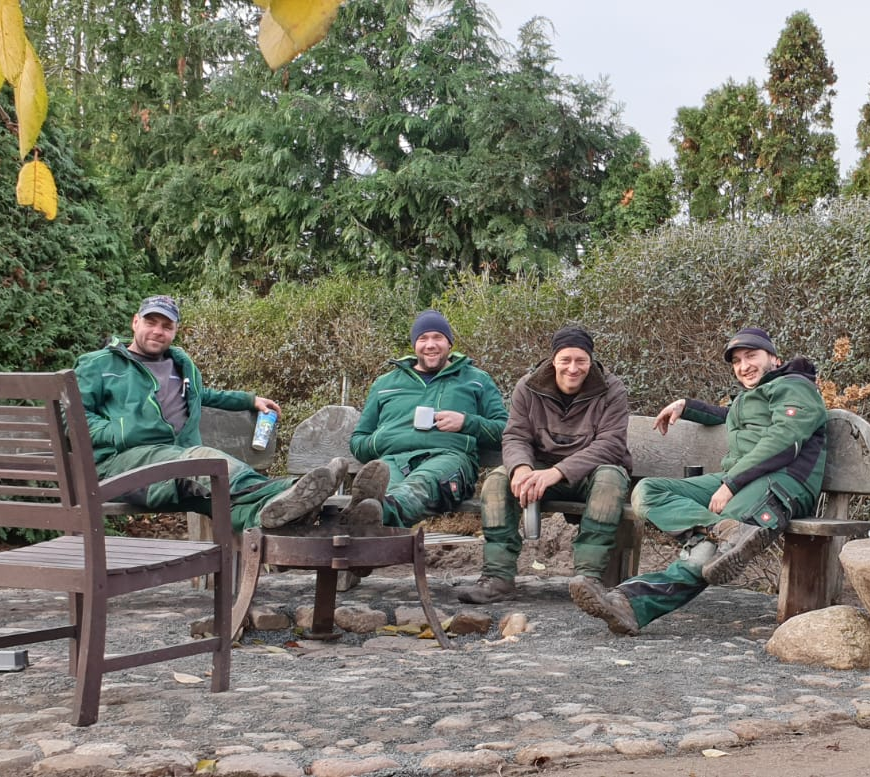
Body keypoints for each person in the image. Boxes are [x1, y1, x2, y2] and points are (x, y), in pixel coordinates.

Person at [570, 327, 827, 635]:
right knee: (649, 491)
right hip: (744, 481)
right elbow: (729, 414)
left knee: (716, 551)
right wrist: (687, 406)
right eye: (737, 361)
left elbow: (785, 440)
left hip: (782, 484)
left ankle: (629, 603)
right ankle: (718, 531)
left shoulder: (795, 386)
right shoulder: (753, 396)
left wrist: (731, 483)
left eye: (751, 356)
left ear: (774, 358)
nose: (744, 366)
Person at [74, 295, 387, 533]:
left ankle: (327, 521)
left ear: (175, 331)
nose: (158, 331)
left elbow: (204, 396)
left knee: (227, 502)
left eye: (166, 326)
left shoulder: (180, 366)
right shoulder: (99, 365)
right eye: (151, 322)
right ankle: (292, 490)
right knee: (204, 461)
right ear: (135, 322)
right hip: (121, 467)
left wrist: (249, 400)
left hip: (174, 472)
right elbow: (72, 421)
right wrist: (121, 431)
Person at [455, 325, 632, 604]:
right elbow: (515, 435)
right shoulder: (527, 387)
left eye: (581, 360)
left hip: (591, 474)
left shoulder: (612, 389)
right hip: (540, 470)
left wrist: (558, 472)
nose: (573, 368)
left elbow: (611, 446)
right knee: (497, 480)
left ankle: (587, 580)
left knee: (611, 479)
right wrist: (521, 468)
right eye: (565, 360)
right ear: (553, 361)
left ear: (591, 360)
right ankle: (497, 577)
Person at [349, 310, 508, 528]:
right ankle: (370, 513)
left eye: (438, 337)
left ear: (449, 343)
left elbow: (506, 431)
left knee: (417, 486)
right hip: (394, 461)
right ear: (414, 345)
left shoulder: (476, 380)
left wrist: (465, 422)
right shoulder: (385, 384)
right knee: (382, 489)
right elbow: (358, 440)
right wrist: (383, 438)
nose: (430, 344)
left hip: (450, 459)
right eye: (423, 338)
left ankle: (362, 516)